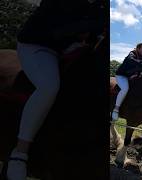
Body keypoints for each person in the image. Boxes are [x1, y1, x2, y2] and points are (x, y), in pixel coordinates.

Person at [7, 0, 105, 179]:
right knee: (49, 86)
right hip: (38, 45)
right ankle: (20, 152)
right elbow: (61, 26)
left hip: (68, 46)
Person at [111, 43, 142, 121]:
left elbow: (141, 68)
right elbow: (132, 61)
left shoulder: (141, 57)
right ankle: (116, 109)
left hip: (130, 77)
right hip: (121, 76)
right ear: (138, 48)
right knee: (125, 89)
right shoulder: (131, 55)